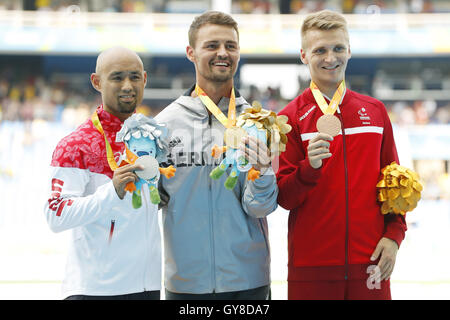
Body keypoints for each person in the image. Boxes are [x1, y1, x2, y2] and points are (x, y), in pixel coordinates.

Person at [276, 10, 407, 300]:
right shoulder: (289, 119)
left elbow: (395, 184)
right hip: (311, 269)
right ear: (303, 55)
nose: (330, 57)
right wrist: (308, 168)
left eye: (337, 48)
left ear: (349, 50)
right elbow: (284, 197)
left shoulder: (374, 112)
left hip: (371, 262)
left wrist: (394, 236)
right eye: (319, 50)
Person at [155, 11, 278, 300]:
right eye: (211, 45)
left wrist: (263, 172)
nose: (222, 53)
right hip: (185, 284)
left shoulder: (258, 122)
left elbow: (261, 207)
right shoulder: (163, 125)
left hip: (248, 282)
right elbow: (151, 204)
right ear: (191, 52)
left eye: (230, 46)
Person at [43, 47, 161, 300]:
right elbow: (55, 215)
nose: (128, 85)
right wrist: (112, 191)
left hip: (147, 286)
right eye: (117, 77)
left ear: (145, 79)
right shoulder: (76, 144)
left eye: (135, 77)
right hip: (94, 290)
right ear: (97, 82)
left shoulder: (154, 138)